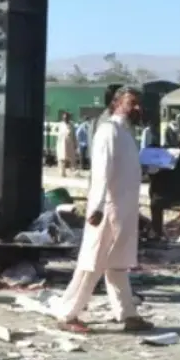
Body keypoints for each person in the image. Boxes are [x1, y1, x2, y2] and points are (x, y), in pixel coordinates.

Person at [52, 86, 154, 334]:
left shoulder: (126, 133)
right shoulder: (109, 131)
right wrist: (96, 206)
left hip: (124, 210)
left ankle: (127, 314)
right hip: (107, 209)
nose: (136, 108)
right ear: (117, 104)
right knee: (93, 262)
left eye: (138, 103)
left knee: (117, 264)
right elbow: (101, 172)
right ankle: (68, 313)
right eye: (132, 103)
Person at [57, 111, 78, 176]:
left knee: (72, 158)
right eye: (64, 118)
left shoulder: (72, 124)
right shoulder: (60, 124)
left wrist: (75, 144)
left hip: (70, 144)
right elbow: (59, 135)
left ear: (69, 118)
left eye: (67, 117)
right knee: (62, 158)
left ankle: (74, 172)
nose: (65, 119)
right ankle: (62, 172)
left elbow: (74, 135)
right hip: (62, 144)